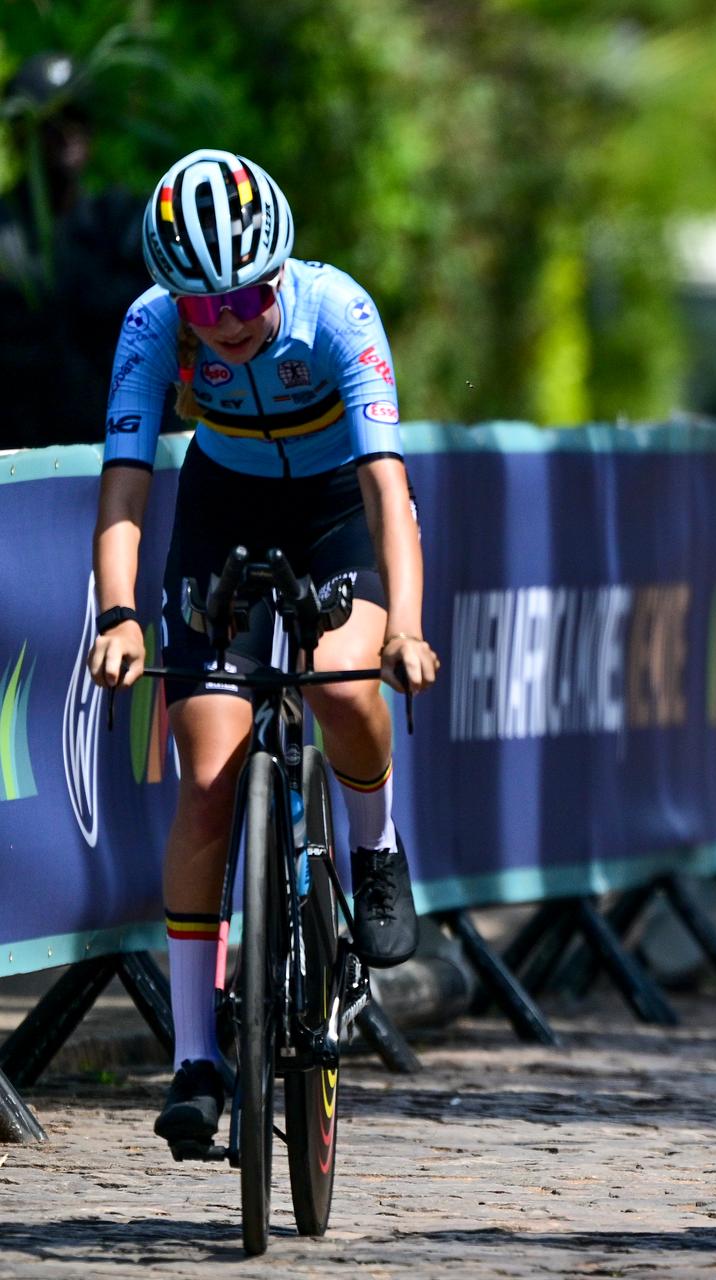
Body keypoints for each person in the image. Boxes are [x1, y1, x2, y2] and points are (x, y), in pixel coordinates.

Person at [85, 149, 439, 1149]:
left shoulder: (340, 314)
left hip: (338, 512)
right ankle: (197, 1055)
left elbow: (385, 492)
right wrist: (119, 615)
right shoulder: (153, 326)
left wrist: (404, 627)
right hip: (224, 508)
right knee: (206, 775)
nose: (229, 318)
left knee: (339, 684)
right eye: (204, 305)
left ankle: (373, 850)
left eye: (247, 292)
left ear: (280, 266)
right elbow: (124, 485)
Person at [0, 51, 160, 448]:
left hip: (118, 460)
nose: (70, 132)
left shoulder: (122, 223)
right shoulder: (6, 236)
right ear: (21, 133)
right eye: (53, 122)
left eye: (79, 117)